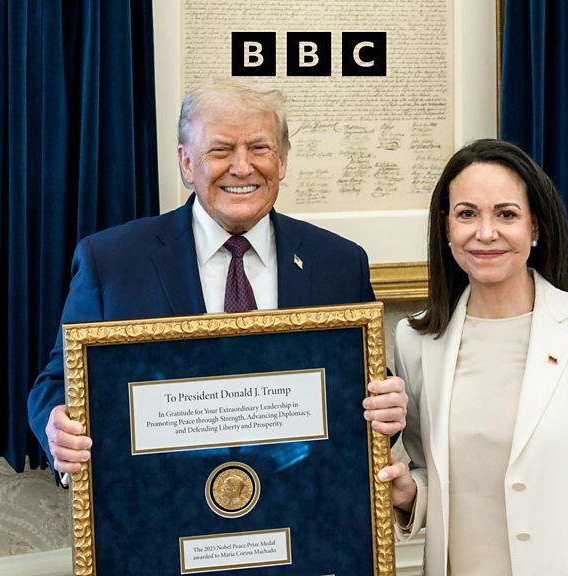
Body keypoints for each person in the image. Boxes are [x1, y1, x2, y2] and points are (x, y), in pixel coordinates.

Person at [27, 80, 408, 480]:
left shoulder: (339, 263)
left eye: (259, 148)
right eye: (220, 150)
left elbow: (362, 388)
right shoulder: (112, 262)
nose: (242, 167)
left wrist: (387, 408)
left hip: (301, 498)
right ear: (186, 163)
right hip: (161, 500)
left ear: (282, 161)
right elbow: (59, 382)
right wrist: (58, 429)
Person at [378, 139, 568, 575]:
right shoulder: (416, 340)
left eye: (507, 214)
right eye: (467, 214)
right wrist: (408, 494)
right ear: (446, 228)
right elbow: (434, 476)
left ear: (535, 228)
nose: (485, 233)